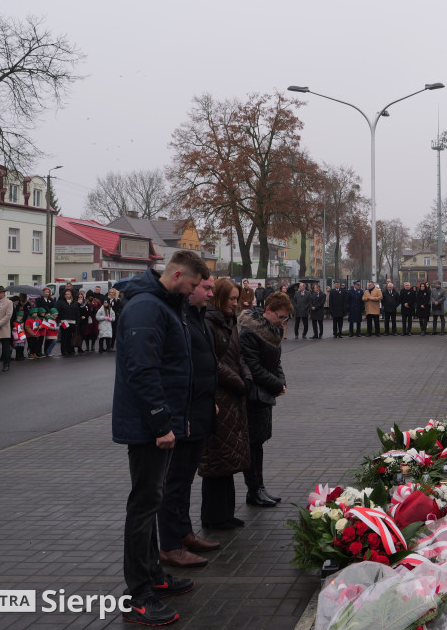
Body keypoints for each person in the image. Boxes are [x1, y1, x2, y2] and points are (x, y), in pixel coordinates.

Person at [112, 250, 210, 625]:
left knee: (150, 501)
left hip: (158, 423)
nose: (192, 292)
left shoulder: (164, 304)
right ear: (178, 274)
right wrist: (160, 423)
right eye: (191, 285)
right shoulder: (147, 307)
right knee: (143, 504)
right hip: (148, 427)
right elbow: (142, 370)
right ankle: (138, 594)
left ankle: (153, 577)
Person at [158, 274, 220, 569]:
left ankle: (184, 533)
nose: (211, 294)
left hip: (200, 409)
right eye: (206, 288)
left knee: (185, 479)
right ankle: (170, 545)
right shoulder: (179, 316)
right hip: (183, 412)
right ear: (190, 286)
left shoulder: (196, 315)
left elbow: (204, 364)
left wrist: (211, 400)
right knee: (174, 481)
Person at [200, 278, 252, 531]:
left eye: (237, 298)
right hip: (220, 396)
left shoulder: (229, 323)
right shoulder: (209, 322)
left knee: (229, 457)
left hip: (233, 396)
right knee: (217, 458)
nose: (236, 303)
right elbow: (212, 362)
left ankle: (226, 514)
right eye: (231, 298)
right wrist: (239, 381)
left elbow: (238, 356)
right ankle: (213, 517)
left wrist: (246, 376)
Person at [239, 291, 291, 507]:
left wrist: (281, 381)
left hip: (265, 392)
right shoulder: (250, 332)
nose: (282, 322)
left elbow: (276, 362)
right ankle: (254, 490)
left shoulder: (272, 330)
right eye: (280, 317)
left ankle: (260, 488)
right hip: (253, 394)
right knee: (252, 444)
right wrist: (276, 384)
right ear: (268, 310)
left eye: (285, 318)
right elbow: (254, 367)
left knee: (258, 443)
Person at [56, 289, 79, 357]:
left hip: (72, 322)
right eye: (66, 294)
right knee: (64, 336)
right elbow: (57, 313)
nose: (67, 295)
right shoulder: (60, 302)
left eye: (68, 294)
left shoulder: (74, 302)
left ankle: (70, 350)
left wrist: (77, 322)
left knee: (70, 336)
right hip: (64, 322)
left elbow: (77, 313)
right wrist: (58, 321)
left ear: (71, 295)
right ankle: (64, 350)